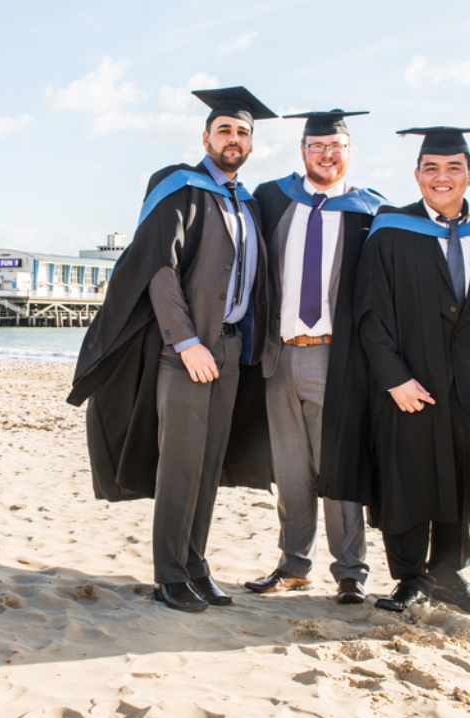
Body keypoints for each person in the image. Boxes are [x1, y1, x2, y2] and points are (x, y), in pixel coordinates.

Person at [67, 86, 277, 613]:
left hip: (230, 350)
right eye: (224, 130)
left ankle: (196, 565)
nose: (234, 139)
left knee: (208, 466)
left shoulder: (247, 203)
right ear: (206, 138)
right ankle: (169, 575)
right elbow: (160, 269)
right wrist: (186, 341)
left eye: (243, 132)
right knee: (180, 466)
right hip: (187, 353)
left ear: (251, 144)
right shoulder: (179, 187)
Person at [354, 127, 470, 616]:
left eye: (453, 168)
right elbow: (369, 312)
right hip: (408, 382)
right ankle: (409, 578)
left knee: (459, 481)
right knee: (406, 476)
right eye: (432, 168)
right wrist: (394, 378)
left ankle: (448, 574)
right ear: (417, 174)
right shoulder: (391, 230)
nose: (442, 177)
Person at [244, 109, 384, 605]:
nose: (327, 155)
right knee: (290, 471)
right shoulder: (272, 198)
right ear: (303, 150)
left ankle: (350, 572)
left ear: (349, 151)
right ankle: (293, 565)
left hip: (335, 359)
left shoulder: (370, 211)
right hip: (278, 356)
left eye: (336, 147)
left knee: (339, 468)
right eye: (317, 146)